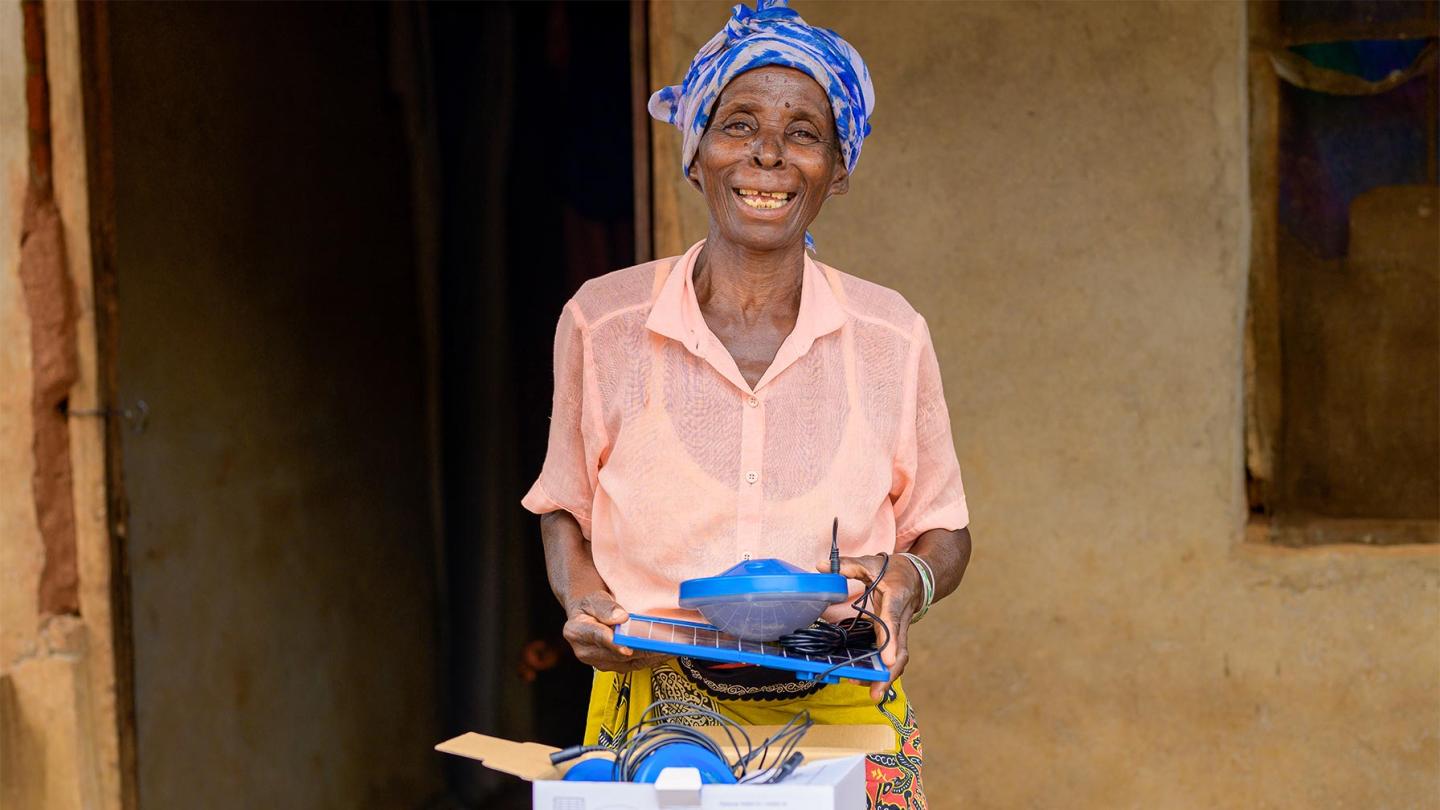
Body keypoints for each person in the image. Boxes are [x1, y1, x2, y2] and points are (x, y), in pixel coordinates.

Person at [522, 1, 971, 805]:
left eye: (803, 133)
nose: (768, 155)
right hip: (654, 721)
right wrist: (583, 599)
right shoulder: (603, 323)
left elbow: (943, 528)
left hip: (844, 715)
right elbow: (564, 507)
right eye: (738, 125)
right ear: (696, 153)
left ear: (837, 167)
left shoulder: (890, 335)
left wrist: (907, 582)